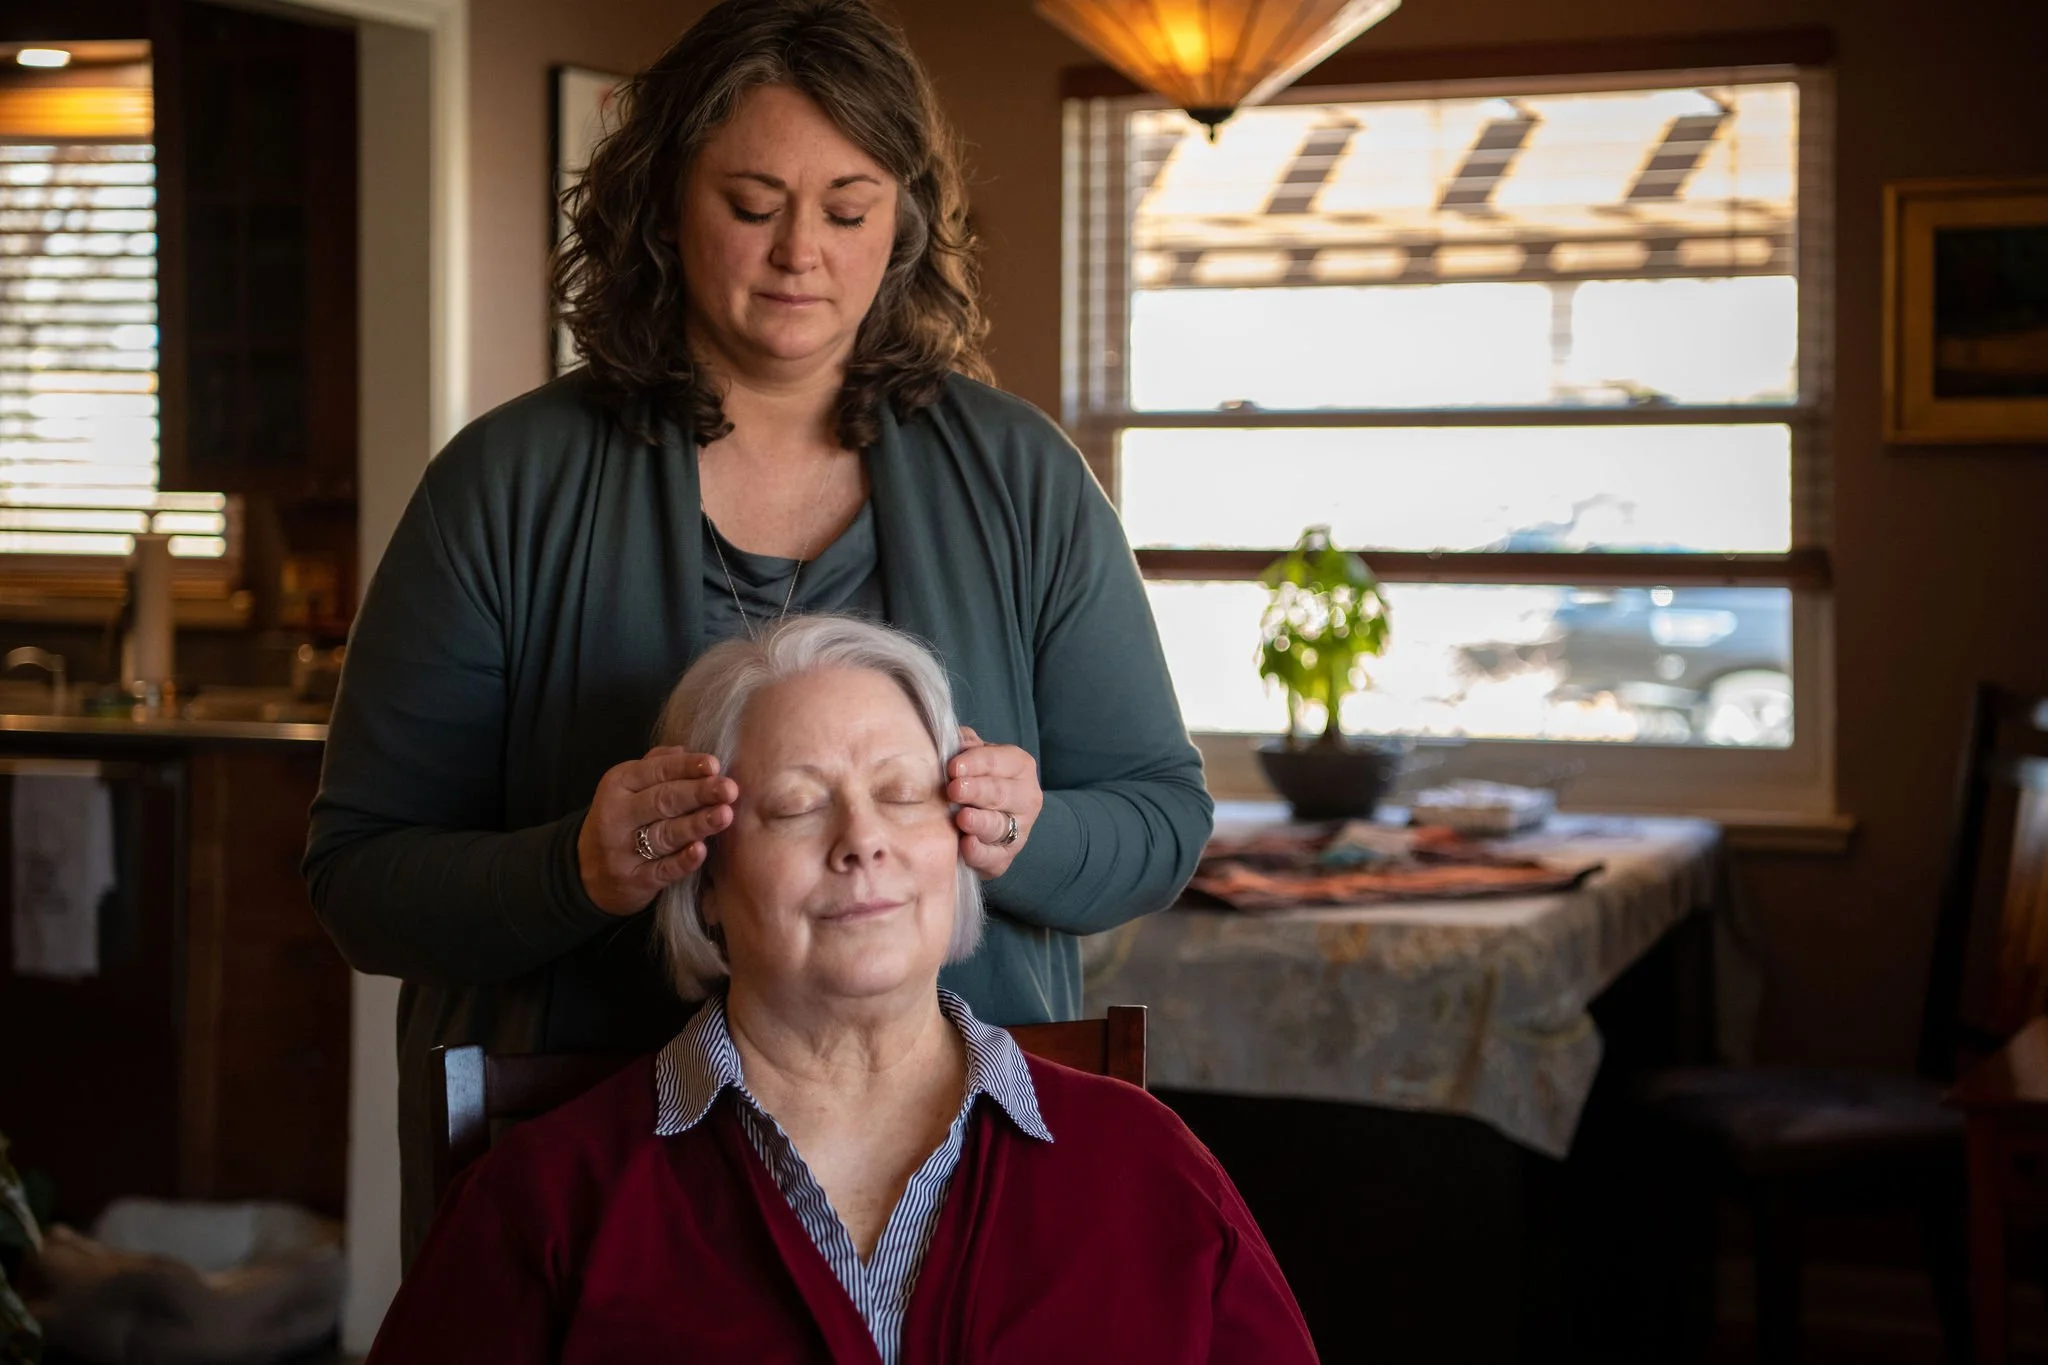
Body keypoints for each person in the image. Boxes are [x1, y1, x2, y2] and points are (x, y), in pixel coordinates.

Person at [303, 0, 1211, 1261]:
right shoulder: (505, 487)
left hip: (959, 1174)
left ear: (903, 222)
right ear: (663, 204)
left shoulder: (1021, 481)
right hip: (594, 1189)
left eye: (847, 209)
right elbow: (362, 885)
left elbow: (1161, 823)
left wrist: (1026, 834)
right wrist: (576, 870)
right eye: (752, 204)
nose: (801, 254)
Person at [362, 617, 1313, 1365]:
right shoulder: (547, 1202)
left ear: (962, 843)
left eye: (902, 793)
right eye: (796, 804)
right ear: (706, 882)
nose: (863, 839)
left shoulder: (1148, 1167)